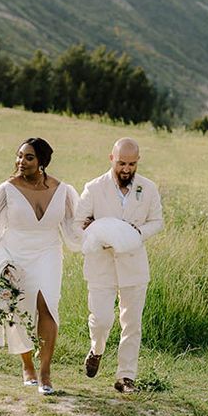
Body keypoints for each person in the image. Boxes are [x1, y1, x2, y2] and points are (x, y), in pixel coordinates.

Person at [0, 137, 80, 395]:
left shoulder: (63, 191)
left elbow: (75, 228)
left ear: (41, 162)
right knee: (20, 309)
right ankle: (27, 364)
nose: (21, 161)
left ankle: (45, 370)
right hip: (15, 255)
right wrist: (0, 264)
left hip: (48, 254)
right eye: (19, 156)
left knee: (47, 305)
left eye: (29, 157)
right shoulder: (5, 191)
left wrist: (100, 234)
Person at [75, 138, 163, 393]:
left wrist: (138, 232)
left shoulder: (148, 188)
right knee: (101, 319)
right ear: (111, 158)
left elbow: (157, 221)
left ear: (138, 162)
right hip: (101, 264)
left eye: (132, 164)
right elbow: (77, 223)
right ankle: (97, 349)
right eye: (122, 163)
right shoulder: (93, 188)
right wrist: (92, 232)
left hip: (134, 265)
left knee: (132, 323)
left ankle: (126, 377)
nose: (126, 169)